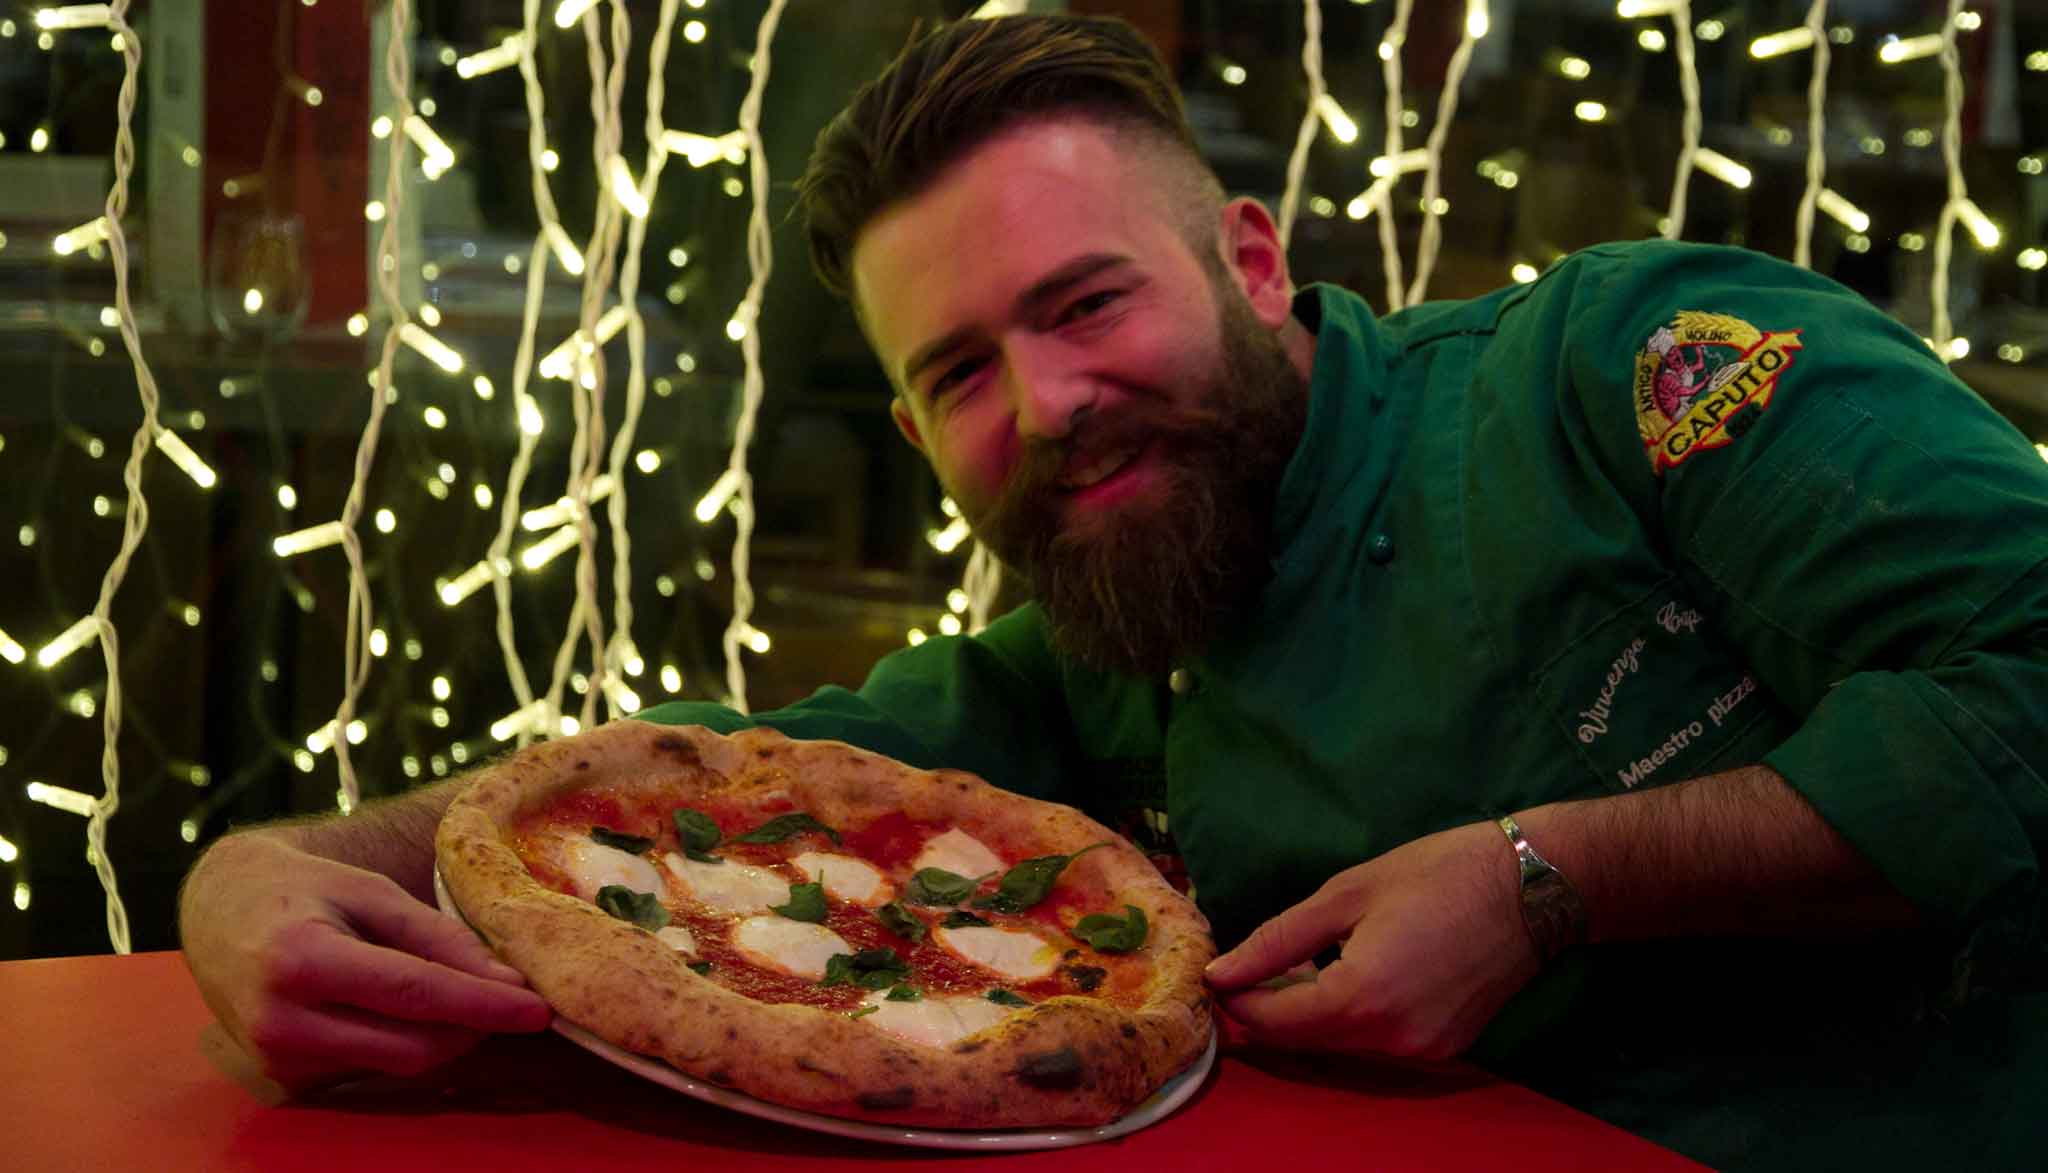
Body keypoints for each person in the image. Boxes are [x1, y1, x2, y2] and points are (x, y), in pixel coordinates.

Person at [179, 13, 2048, 1167]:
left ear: (1248, 256)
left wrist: (1542, 882)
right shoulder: (1085, 669)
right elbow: (685, 795)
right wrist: (268, 869)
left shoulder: (1612, 365)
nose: (1050, 406)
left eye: (1086, 303)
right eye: (960, 372)